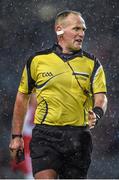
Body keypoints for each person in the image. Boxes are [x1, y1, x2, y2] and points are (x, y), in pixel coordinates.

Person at [9, 10, 108, 179]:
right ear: (59, 30)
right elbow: (22, 97)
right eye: (76, 29)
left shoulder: (92, 63)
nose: (81, 34)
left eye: (83, 30)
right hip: (45, 135)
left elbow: (101, 96)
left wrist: (97, 113)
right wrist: (16, 137)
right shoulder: (37, 61)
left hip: (79, 137)